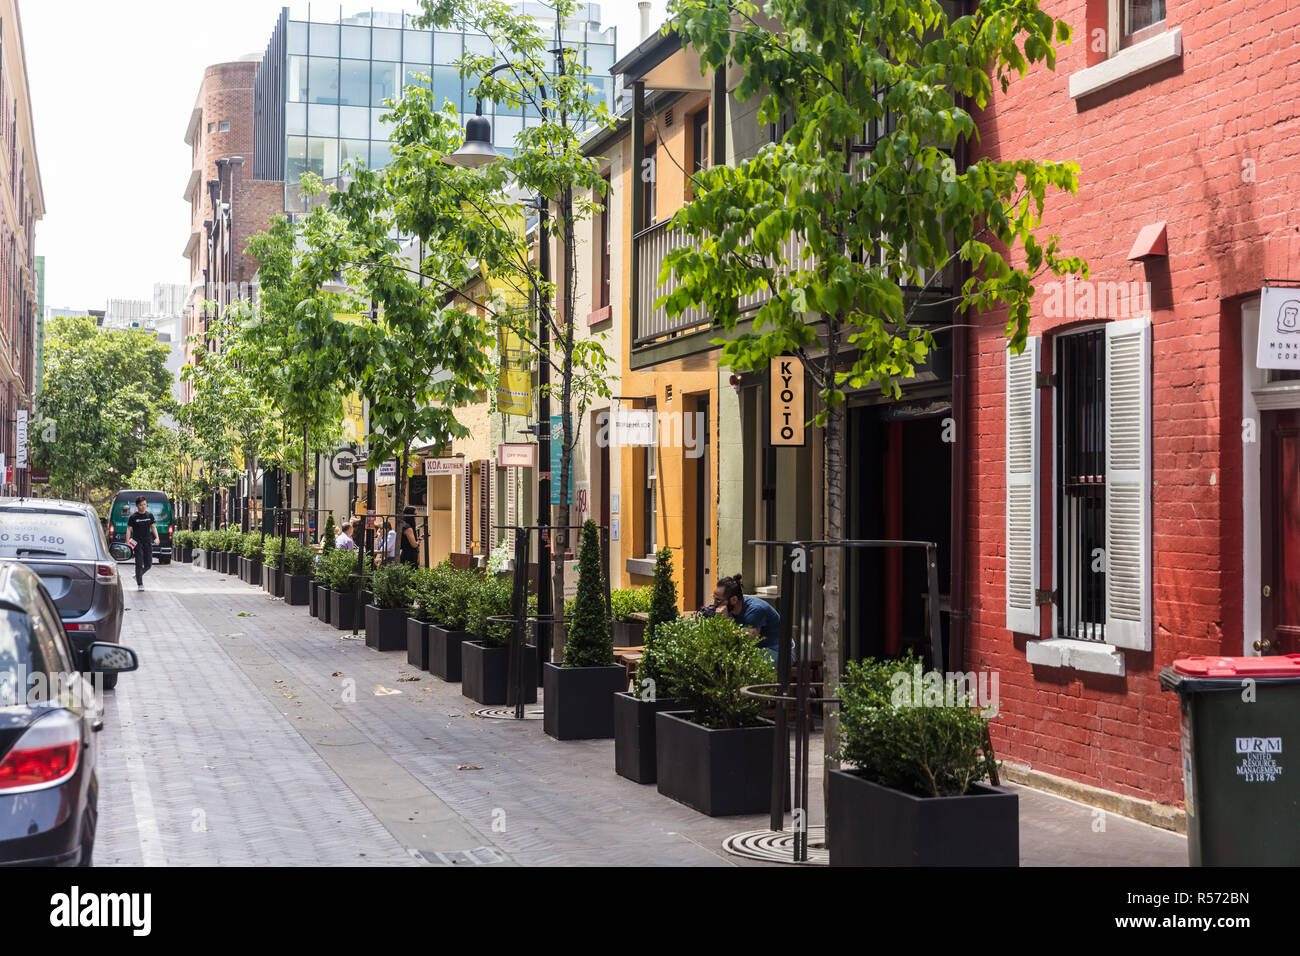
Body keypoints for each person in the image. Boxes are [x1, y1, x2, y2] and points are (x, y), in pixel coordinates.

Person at [709, 574, 784, 666]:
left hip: (778, 652)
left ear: (734, 599)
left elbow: (746, 641)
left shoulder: (756, 609)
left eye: (718, 600)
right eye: (714, 598)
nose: (715, 603)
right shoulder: (730, 609)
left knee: (741, 662)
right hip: (757, 650)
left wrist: (726, 621)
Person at [127, 496, 160, 592]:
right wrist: (127, 541)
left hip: (147, 542)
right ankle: (140, 584)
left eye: (145, 504)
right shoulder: (133, 517)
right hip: (137, 542)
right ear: (137, 506)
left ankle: (138, 575)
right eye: (141, 505)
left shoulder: (149, 515)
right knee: (139, 563)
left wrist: (157, 538)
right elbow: (129, 529)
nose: (143, 506)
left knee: (149, 564)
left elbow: (153, 527)